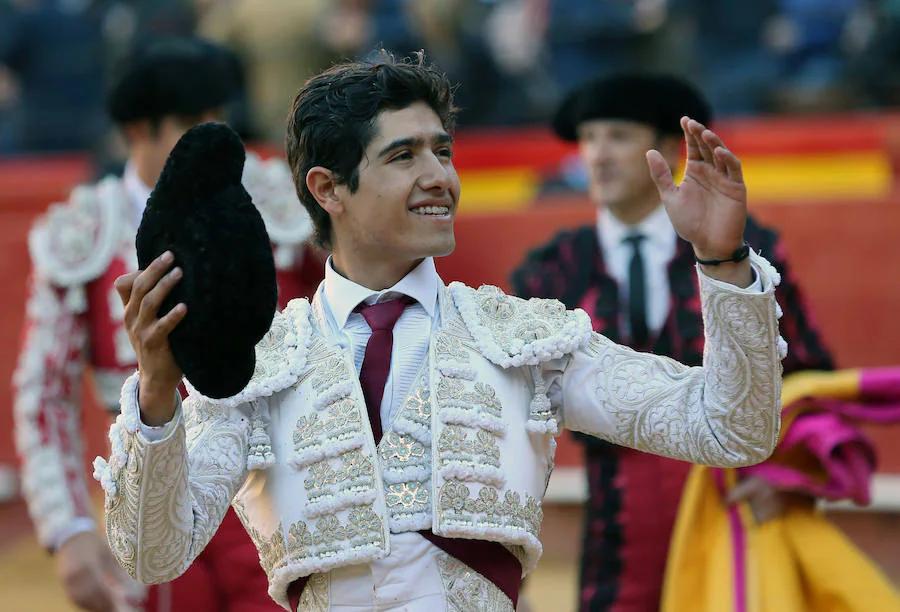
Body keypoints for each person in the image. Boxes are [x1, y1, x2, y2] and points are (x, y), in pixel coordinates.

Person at [98, 53, 786, 612]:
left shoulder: (523, 341)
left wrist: (722, 264)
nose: (441, 178)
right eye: (404, 157)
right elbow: (154, 553)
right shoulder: (262, 367)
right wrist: (159, 389)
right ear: (328, 188)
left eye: (443, 151)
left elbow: (729, 429)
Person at [13, 37, 322, 612]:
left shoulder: (282, 199)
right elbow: (45, 397)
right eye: (188, 122)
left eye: (217, 119)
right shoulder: (84, 231)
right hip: (150, 487)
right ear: (138, 132)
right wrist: (69, 529)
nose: (211, 138)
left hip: (275, 482)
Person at [510, 73, 834, 612]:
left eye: (617, 136)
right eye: (588, 138)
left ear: (664, 149)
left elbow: (808, 374)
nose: (597, 155)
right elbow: (510, 405)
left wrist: (787, 475)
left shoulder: (745, 251)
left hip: (737, 509)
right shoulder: (551, 270)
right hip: (616, 522)